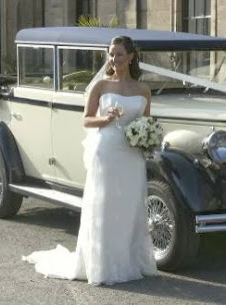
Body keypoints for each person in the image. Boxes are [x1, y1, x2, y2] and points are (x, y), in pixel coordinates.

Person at [22, 36, 158, 284]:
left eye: (118, 54)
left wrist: (147, 138)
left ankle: (130, 261)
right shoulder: (101, 86)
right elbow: (86, 119)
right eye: (111, 54)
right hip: (107, 151)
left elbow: (146, 123)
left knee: (129, 206)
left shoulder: (143, 90)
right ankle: (103, 266)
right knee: (105, 207)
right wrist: (105, 120)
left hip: (132, 155)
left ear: (130, 57)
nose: (114, 59)